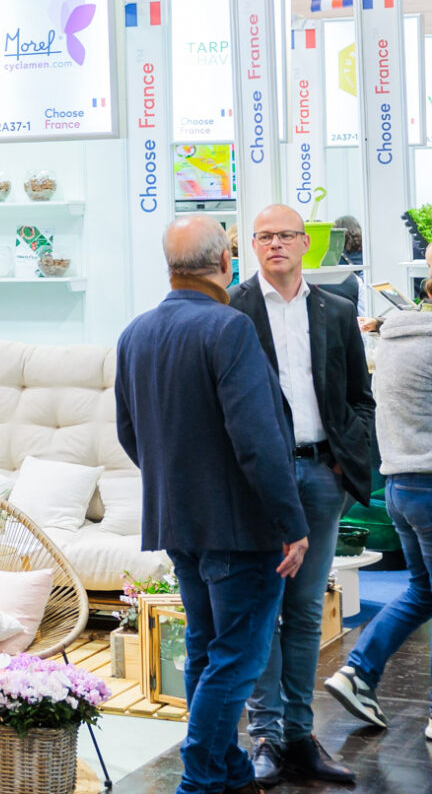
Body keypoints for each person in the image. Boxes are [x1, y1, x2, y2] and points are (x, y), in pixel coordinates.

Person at [114, 216, 309, 794]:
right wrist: (290, 521)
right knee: (237, 660)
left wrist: (177, 484)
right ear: (226, 261)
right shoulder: (229, 328)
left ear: (170, 267)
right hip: (241, 530)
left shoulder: (135, 333)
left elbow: (129, 432)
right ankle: (199, 780)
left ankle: (231, 773)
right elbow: (258, 440)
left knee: (207, 649)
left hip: (179, 524)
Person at [230, 205, 371, 786]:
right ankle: (265, 734)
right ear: (252, 246)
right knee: (265, 607)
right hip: (259, 481)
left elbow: (360, 396)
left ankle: (299, 733)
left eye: (286, 235)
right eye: (264, 237)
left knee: (308, 609)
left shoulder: (336, 310)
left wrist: (343, 460)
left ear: (305, 242)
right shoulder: (232, 309)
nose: (275, 245)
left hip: (319, 473)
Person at [327, 306, 432, 739]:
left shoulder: (395, 339)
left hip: (399, 487)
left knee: (423, 592)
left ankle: (357, 672)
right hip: (429, 484)